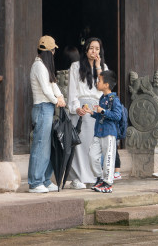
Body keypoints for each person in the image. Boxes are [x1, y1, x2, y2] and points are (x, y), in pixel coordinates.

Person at [66, 37, 108, 189]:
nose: (94, 51)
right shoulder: (76, 66)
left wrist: (98, 66)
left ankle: (94, 176)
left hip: (96, 109)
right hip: (81, 108)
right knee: (78, 145)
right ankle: (77, 178)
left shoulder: (104, 67)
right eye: (91, 48)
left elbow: (104, 89)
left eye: (97, 49)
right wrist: (76, 107)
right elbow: (72, 90)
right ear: (86, 49)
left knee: (94, 145)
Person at [27, 35, 67, 193]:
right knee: (40, 146)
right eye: (53, 50)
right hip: (43, 107)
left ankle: (45, 179)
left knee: (48, 146)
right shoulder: (38, 66)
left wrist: (60, 96)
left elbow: (53, 84)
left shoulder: (44, 65)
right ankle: (35, 182)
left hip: (48, 107)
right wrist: (57, 100)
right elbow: (45, 89)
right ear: (50, 52)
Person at [89, 70, 123, 193]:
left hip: (109, 133)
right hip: (99, 132)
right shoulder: (102, 98)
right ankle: (100, 178)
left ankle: (108, 184)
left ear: (106, 84)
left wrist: (102, 111)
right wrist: (93, 113)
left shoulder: (114, 99)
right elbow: (100, 116)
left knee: (109, 158)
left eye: (99, 80)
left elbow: (117, 116)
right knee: (92, 156)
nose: (97, 83)